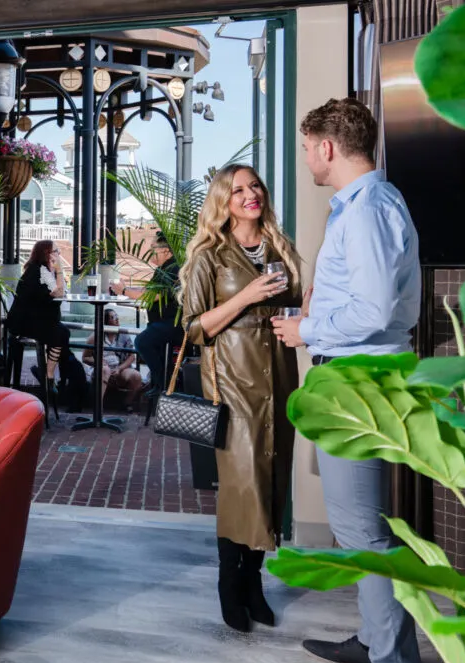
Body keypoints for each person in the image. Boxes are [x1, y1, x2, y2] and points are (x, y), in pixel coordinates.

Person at [272, 98, 422, 663]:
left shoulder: (364, 212)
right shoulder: (370, 205)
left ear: (329, 147)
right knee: (365, 525)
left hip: (358, 382)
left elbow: (376, 307)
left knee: (363, 531)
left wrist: (303, 329)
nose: (307, 156)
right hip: (360, 378)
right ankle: (378, 642)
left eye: (308, 147)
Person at [179, 164, 302, 633]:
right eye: (237, 190)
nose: (250, 194)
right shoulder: (211, 254)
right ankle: (229, 584)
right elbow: (194, 328)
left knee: (270, 478)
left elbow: (290, 302)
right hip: (231, 380)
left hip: (278, 377)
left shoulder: (278, 246)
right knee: (241, 484)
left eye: (254, 186)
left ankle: (255, 582)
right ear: (222, 202)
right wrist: (247, 295)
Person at [119, 231, 185, 395]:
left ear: (166, 251)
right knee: (151, 345)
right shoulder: (162, 269)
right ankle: (159, 383)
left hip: (173, 324)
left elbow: (155, 295)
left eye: (153, 247)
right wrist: (125, 289)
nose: (150, 251)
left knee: (143, 341)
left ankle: (163, 383)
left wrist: (125, 290)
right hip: (160, 323)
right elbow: (148, 290)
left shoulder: (173, 268)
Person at [6, 240, 70, 393]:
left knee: (63, 331)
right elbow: (59, 293)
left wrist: (57, 272)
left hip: (36, 319)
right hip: (24, 323)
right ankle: (48, 376)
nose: (59, 255)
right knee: (60, 332)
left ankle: (50, 375)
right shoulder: (36, 271)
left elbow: (59, 293)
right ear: (46, 254)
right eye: (56, 251)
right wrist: (60, 269)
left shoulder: (44, 271)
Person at [82, 306, 143, 412]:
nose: (117, 319)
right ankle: (98, 408)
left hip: (119, 369)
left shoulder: (123, 334)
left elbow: (132, 355)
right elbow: (85, 357)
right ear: (105, 321)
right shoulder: (95, 336)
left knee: (136, 376)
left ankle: (127, 403)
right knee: (105, 370)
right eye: (113, 317)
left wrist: (120, 368)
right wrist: (98, 361)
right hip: (102, 370)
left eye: (116, 316)